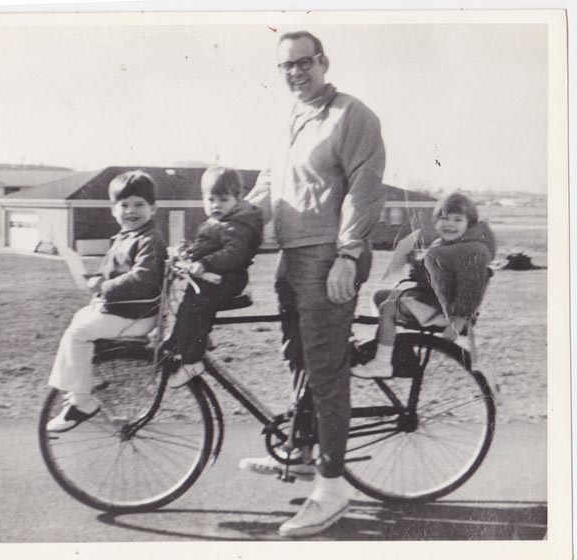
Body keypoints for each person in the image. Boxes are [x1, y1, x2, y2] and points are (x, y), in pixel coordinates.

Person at [241, 31, 386, 537]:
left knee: (326, 372)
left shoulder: (351, 116)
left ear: (323, 62)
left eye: (304, 62)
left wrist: (348, 254)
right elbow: (267, 186)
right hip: (292, 255)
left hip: (329, 255)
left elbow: (365, 190)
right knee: (297, 356)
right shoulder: (289, 120)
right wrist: (223, 226)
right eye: (286, 66)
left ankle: (331, 488)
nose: (296, 72)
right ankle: (301, 450)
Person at [47, 170, 167, 432]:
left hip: (138, 316)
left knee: (77, 334)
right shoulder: (126, 237)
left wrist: (105, 286)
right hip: (125, 311)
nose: (131, 211)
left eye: (139, 205)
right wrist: (97, 281)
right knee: (79, 319)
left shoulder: (149, 239)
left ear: (153, 208)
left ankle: (81, 402)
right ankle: (86, 382)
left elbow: (143, 279)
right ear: (114, 210)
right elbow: (116, 272)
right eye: (124, 205)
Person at [364, 192, 497, 378]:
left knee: (388, 308)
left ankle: (382, 362)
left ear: (470, 224)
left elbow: (472, 289)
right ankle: (399, 353)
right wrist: (413, 262)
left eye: (457, 220)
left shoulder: (472, 250)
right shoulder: (444, 244)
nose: (449, 224)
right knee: (379, 296)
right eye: (444, 219)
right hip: (431, 300)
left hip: (447, 311)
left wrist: (457, 322)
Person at [166, 165, 263, 388]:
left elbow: (233, 253)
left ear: (238, 199)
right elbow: (206, 246)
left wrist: (205, 262)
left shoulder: (237, 225)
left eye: (223, 199)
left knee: (199, 306)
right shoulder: (215, 223)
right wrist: (187, 252)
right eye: (210, 200)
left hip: (229, 277)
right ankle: (179, 342)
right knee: (188, 303)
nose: (215, 205)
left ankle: (192, 360)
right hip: (212, 275)